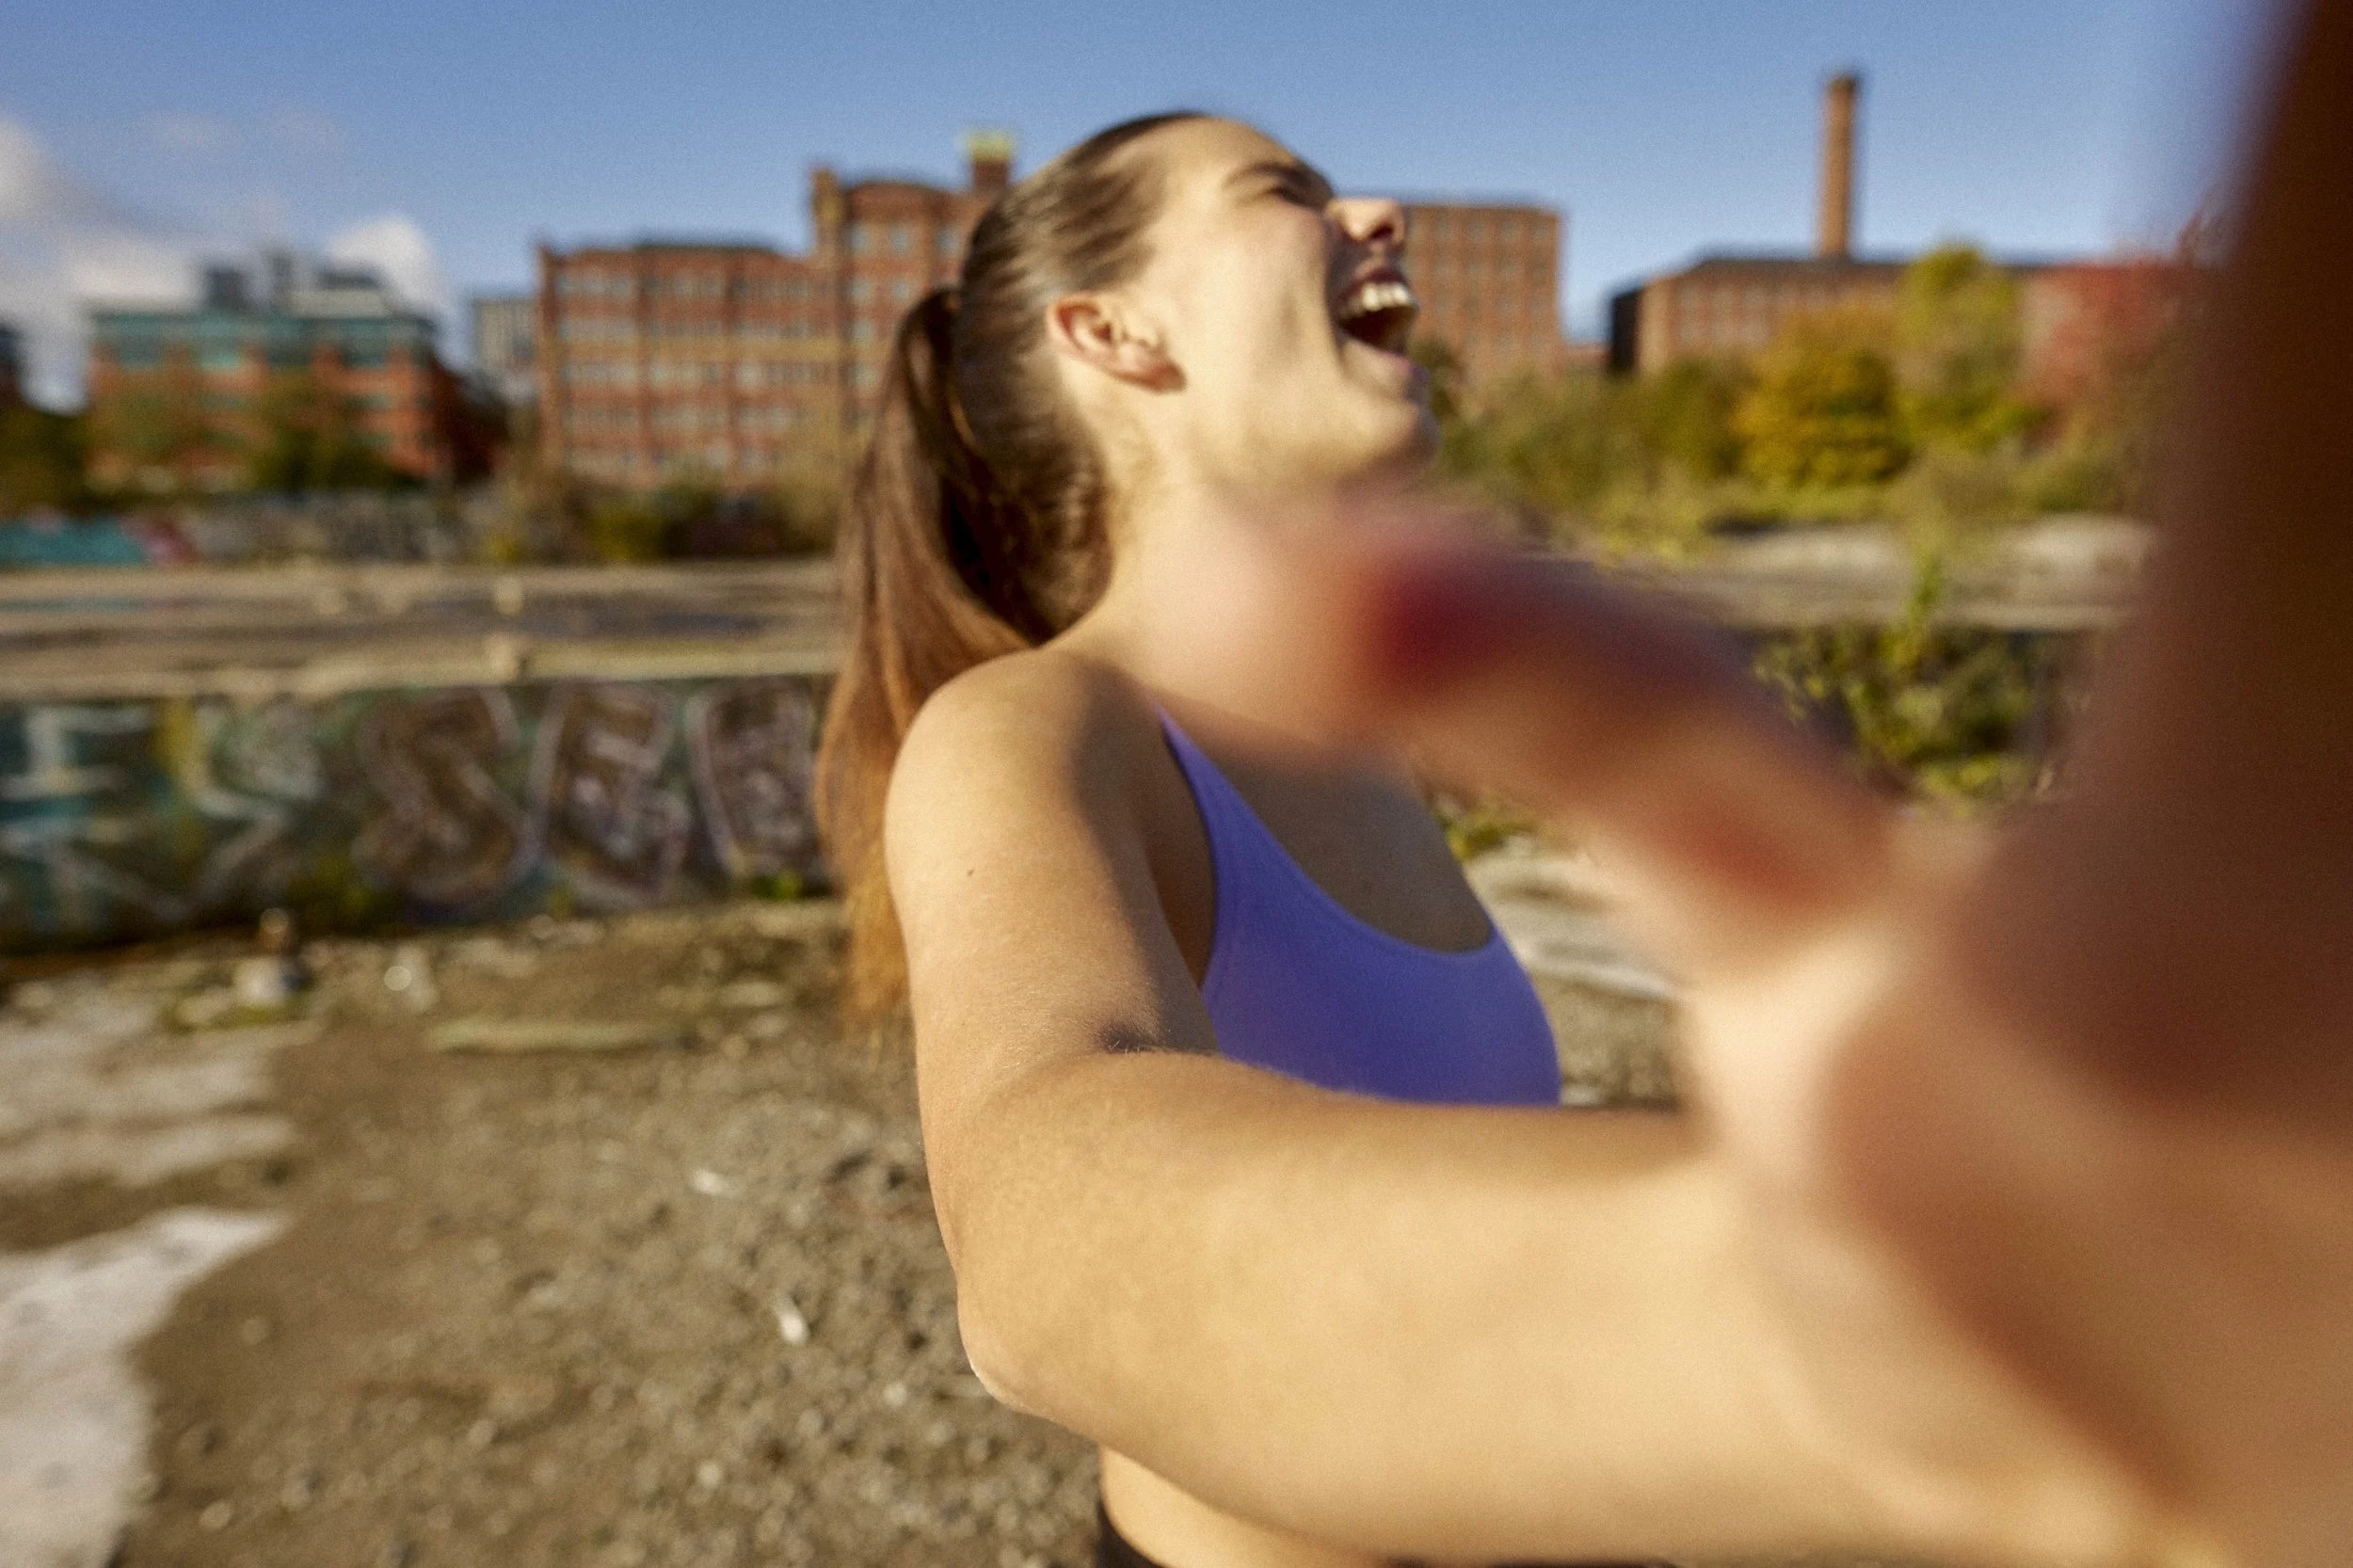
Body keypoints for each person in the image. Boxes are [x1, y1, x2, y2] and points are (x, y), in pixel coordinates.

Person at [817, 5, 2353, 1557]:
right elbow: (1040, 1242)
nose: (1373, 213)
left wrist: (1893, 1167)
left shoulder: (1362, 760)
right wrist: (1807, 1351)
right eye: (1283, 193)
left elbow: (1438, 1144)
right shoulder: (1034, 725)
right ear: (1114, 333)